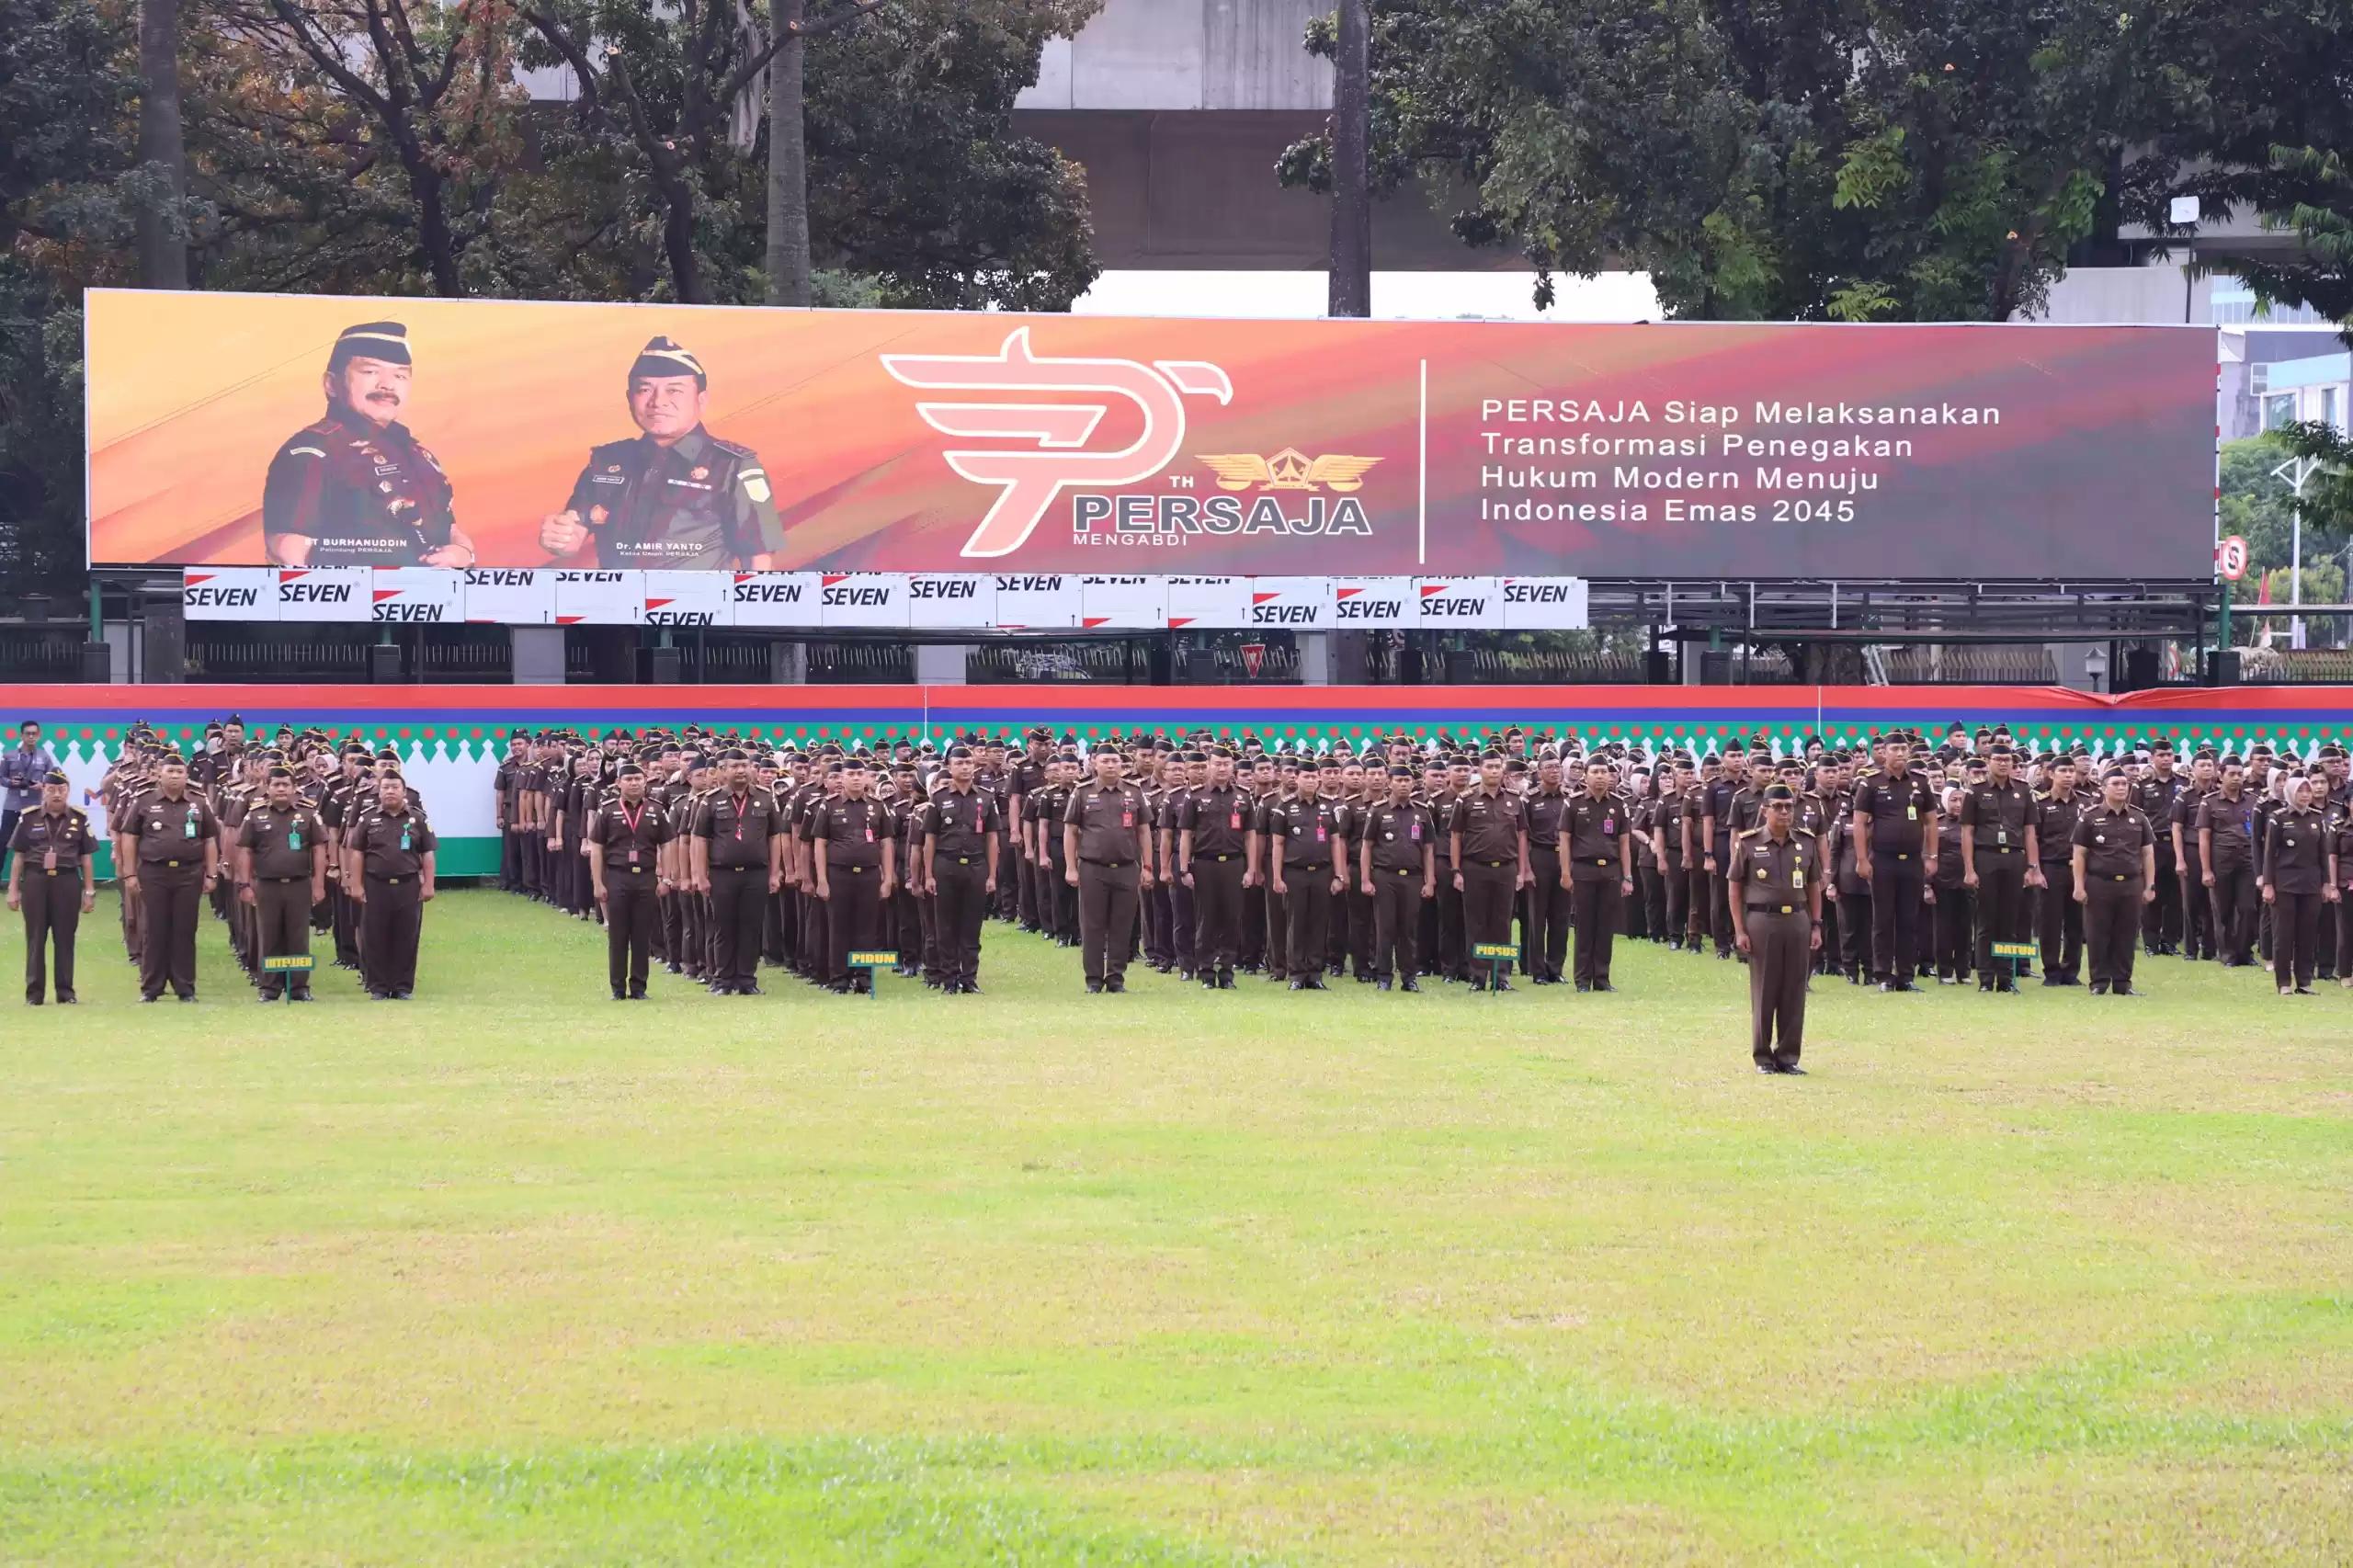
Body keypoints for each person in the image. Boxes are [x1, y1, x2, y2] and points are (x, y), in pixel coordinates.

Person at [537, 336, 787, 570]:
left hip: (696, 610)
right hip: (616, 610)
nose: (658, 401)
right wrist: (560, 538)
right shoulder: (608, 462)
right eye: (645, 390)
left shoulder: (732, 466)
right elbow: (574, 533)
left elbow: (757, 558)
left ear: (701, 399)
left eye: (674, 390)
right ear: (629, 398)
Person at [263, 321, 477, 567]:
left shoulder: (419, 455)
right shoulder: (312, 451)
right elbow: (284, 550)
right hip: (352, 600)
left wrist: (463, 554)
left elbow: (451, 529)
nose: (387, 385)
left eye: (400, 375)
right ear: (331, 384)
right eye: (370, 372)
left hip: (432, 600)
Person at [115, 753, 222, 1003]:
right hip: (154, 873)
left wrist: (212, 873)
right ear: (159, 774)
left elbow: (209, 839)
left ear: (186, 776)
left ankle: (185, 987)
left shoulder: (198, 801)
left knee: (185, 930)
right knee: (154, 929)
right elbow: (129, 837)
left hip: (189, 873)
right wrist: (130, 873)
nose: (175, 776)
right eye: (170, 772)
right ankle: (151, 987)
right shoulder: (143, 800)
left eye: (179, 772)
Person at [1731, 784, 1823, 1074]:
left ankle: (1788, 1056)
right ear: (1764, 809)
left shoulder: (1805, 842)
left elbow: (1813, 886)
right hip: (1762, 922)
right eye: (1777, 806)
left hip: (1797, 920)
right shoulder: (1748, 842)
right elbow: (1734, 887)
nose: (1784, 812)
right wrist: (1740, 930)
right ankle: (1763, 1057)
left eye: (1788, 806)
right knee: (1765, 989)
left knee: (1794, 990)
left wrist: (1817, 924)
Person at [689, 749, 783, 995]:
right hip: (723, 874)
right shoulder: (710, 800)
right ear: (723, 770)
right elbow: (699, 839)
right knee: (723, 927)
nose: (741, 770)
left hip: (756, 873)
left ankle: (746, 979)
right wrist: (700, 875)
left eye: (745, 765)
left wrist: (775, 873)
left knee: (751, 927)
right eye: (735, 766)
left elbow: (775, 837)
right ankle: (723, 979)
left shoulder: (765, 798)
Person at [233, 766, 326, 1002]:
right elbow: (245, 851)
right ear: (267, 788)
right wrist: (244, 884)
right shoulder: (254, 814)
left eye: (286, 784)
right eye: (276, 784)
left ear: (294, 788)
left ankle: (298, 987)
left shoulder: (308, 813)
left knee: (299, 937)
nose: (281, 788)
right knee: (268, 936)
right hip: (267, 885)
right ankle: (270, 987)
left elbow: (319, 849)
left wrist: (318, 883)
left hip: (299, 884)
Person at [1852, 734, 1936, 991]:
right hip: (1883, 860)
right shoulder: (1871, 783)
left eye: (1903, 748)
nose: (1900, 753)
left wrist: (1931, 856)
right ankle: (1884, 975)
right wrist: (1862, 859)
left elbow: (1931, 821)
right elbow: (1859, 822)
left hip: (1912, 861)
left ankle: (1906, 976)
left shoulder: (1920, 783)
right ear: (1884, 752)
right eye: (1894, 749)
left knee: (1909, 919)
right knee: (1884, 919)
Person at [1063, 747, 1150, 994]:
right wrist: (1071, 867)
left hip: (1125, 868)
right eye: (1105, 761)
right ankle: (1093, 979)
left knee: (1122, 925)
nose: (1111, 765)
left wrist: (1147, 867)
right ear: (1094, 763)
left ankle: (1116, 978)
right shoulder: (1082, 792)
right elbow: (1071, 831)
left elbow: (1143, 831)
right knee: (1092, 926)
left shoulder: (1134, 792)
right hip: (1093, 868)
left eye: (1115, 761)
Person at [6, 767, 96, 1005]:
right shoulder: (29, 817)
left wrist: (89, 891)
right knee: (35, 937)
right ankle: (34, 993)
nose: (57, 794)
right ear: (43, 791)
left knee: (65, 937)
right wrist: (13, 889)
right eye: (51, 789)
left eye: (61, 789)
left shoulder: (79, 818)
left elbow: (86, 858)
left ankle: (65, 992)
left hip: (67, 881)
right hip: (36, 880)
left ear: (68, 791)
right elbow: (18, 856)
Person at [344, 771, 436, 1000]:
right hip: (376, 885)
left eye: (395, 787)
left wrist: (429, 885)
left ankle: (403, 986)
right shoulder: (367, 819)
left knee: (407, 935)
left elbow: (428, 854)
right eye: (386, 787)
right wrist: (356, 884)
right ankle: (379, 987)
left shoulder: (418, 819)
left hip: (409, 885)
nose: (390, 791)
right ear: (379, 791)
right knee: (374, 936)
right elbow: (356, 854)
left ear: (404, 792)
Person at [588, 762, 672, 1000]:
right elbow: (597, 848)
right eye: (629, 779)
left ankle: (638, 987)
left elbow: (667, 845)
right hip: (617, 877)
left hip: (646, 877)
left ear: (645, 781)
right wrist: (598, 883)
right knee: (617, 934)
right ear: (619, 783)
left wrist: (665, 877)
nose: (634, 783)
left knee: (641, 934)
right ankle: (617, 987)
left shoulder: (657, 810)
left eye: (638, 779)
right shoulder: (607, 810)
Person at [2070, 767, 2156, 996]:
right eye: (2116, 783)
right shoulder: (2090, 816)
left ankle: (2122, 982)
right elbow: (2079, 854)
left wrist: (2149, 886)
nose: (2121, 788)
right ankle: (2098, 982)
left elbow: (2147, 854)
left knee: (2127, 934)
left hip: (2131, 883)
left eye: (2124, 784)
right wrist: (2078, 885)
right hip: (2099, 883)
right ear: (2103, 787)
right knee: (2098, 934)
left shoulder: (2139, 817)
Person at [923, 745, 1002, 994]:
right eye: (959, 763)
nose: (965, 767)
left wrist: (991, 874)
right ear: (949, 767)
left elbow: (992, 839)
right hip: (946, 865)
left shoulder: (986, 797)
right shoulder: (938, 798)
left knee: (971, 925)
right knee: (945, 925)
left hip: (976, 865)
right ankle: (949, 979)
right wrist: (928, 875)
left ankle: (968, 978)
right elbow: (930, 840)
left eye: (968, 763)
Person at [812, 757, 893, 994]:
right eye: (851, 774)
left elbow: (886, 844)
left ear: (867, 777)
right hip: (838, 874)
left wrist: (887, 878)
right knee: (838, 928)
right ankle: (839, 979)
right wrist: (822, 879)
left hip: (869, 875)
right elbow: (819, 843)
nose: (856, 778)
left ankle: (864, 978)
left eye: (860, 774)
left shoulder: (878, 806)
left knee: (867, 928)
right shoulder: (829, 805)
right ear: (842, 778)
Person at [1449, 753, 1529, 992]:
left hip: (1506, 868)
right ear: (1480, 769)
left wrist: (1521, 871)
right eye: (1489, 767)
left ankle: (1501, 976)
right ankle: (1478, 976)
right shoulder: (1466, 799)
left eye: (1498, 767)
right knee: (1476, 923)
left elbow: (1523, 836)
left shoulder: (1515, 800)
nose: (1494, 771)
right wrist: (1456, 871)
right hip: (1475, 868)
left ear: (1503, 770)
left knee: (1502, 923)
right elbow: (1456, 837)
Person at [1959, 745, 2032, 992]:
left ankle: (2006, 978)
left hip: (2013, 858)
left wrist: (2032, 866)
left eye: (2007, 760)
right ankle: (1986, 979)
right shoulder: (1975, 791)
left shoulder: (2023, 790)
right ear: (1988, 761)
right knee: (1986, 922)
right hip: (1986, 857)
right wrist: (1969, 868)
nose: (2003, 764)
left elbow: (2030, 832)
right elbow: (1967, 831)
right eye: (1998, 759)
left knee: (2009, 923)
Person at [1176, 747, 1250, 989]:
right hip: (1205, 863)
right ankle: (1206, 971)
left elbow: (1250, 835)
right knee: (1206, 919)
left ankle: (1227, 972)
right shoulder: (1195, 796)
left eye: (1227, 764)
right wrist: (1184, 868)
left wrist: (1251, 869)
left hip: (1234, 863)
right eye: (1217, 764)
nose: (1222, 768)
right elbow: (1186, 835)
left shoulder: (1242, 796)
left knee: (1232, 919)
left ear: (1233, 767)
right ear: (1209, 765)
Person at [1268, 758, 1346, 992]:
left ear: (1319, 778)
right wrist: (1277, 877)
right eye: (1306, 776)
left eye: (1314, 777)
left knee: (1319, 924)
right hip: (1294, 873)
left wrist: (1339, 875)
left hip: (1322, 872)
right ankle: (1297, 973)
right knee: (1296, 923)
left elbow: (1335, 842)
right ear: (1297, 778)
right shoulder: (1285, 805)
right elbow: (1278, 844)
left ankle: (1314, 973)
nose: (1310, 781)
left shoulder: (1328, 806)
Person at [2260, 774, 2338, 995]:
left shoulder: (2317, 818)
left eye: (2307, 791)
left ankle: (2304, 982)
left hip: (2311, 885)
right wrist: (2268, 884)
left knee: (2307, 935)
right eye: (2300, 791)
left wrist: (2326, 883)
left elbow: (2323, 854)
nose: (2305, 795)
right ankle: (2283, 983)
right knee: (2283, 935)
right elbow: (2269, 854)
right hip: (2284, 884)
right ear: (2290, 793)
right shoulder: (2278, 818)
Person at [1562, 756, 1634, 992]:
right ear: (1586, 775)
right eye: (1595, 771)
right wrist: (1565, 873)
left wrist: (1628, 876)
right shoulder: (1572, 804)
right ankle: (1582, 980)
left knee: (1605, 926)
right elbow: (1565, 840)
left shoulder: (1619, 804)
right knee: (1584, 926)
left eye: (1605, 772)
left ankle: (1602, 978)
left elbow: (1624, 844)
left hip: (1611, 871)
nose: (1601, 776)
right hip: (1583, 870)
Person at [2198, 760, 2262, 967]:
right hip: (2221, 860)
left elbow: (2261, 835)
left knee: (2248, 908)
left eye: (2240, 774)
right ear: (2221, 775)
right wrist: (2206, 870)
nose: (2237, 778)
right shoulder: (2210, 802)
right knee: (2222, 910)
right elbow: (2204, 838)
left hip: (2248, 861)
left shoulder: (2253, 801)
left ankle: (2245, 952)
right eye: (2232, 774)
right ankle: (2227, 954)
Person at [2, 719, 60, 881]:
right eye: (28, 734)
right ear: (21, 735)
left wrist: (42, 785)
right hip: (12, 805)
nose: (31, 737)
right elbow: (1, 777)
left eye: (34, 734)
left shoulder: (44, 757)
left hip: (35, 807)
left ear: (39, 735)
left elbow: (53, 778)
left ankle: (35, 877)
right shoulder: (10, 755)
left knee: (36, 843)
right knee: (3, 842)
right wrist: (10, 783)